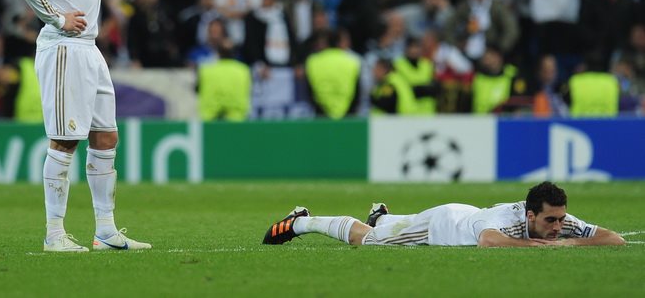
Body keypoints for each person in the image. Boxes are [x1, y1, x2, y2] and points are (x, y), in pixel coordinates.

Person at [17, 0, 151, 252]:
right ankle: (54, 234)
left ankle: (105, 231)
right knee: (64, 141)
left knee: (106, 136)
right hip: (63, 47)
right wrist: (58, 18)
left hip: (89, 49)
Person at [263, 181, 625, 247]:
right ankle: (302, 221)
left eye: (561, 220)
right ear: (530, 216)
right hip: (443, 225)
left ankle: (383, 216)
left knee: (384, 228)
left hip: (465, 214)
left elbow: (615, 239)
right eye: (551, 221)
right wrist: (553, 246)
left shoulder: (557, 219)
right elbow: (489, 242)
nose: (559, 227)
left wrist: (571, 241)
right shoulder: (503, 222)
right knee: (367, 241)